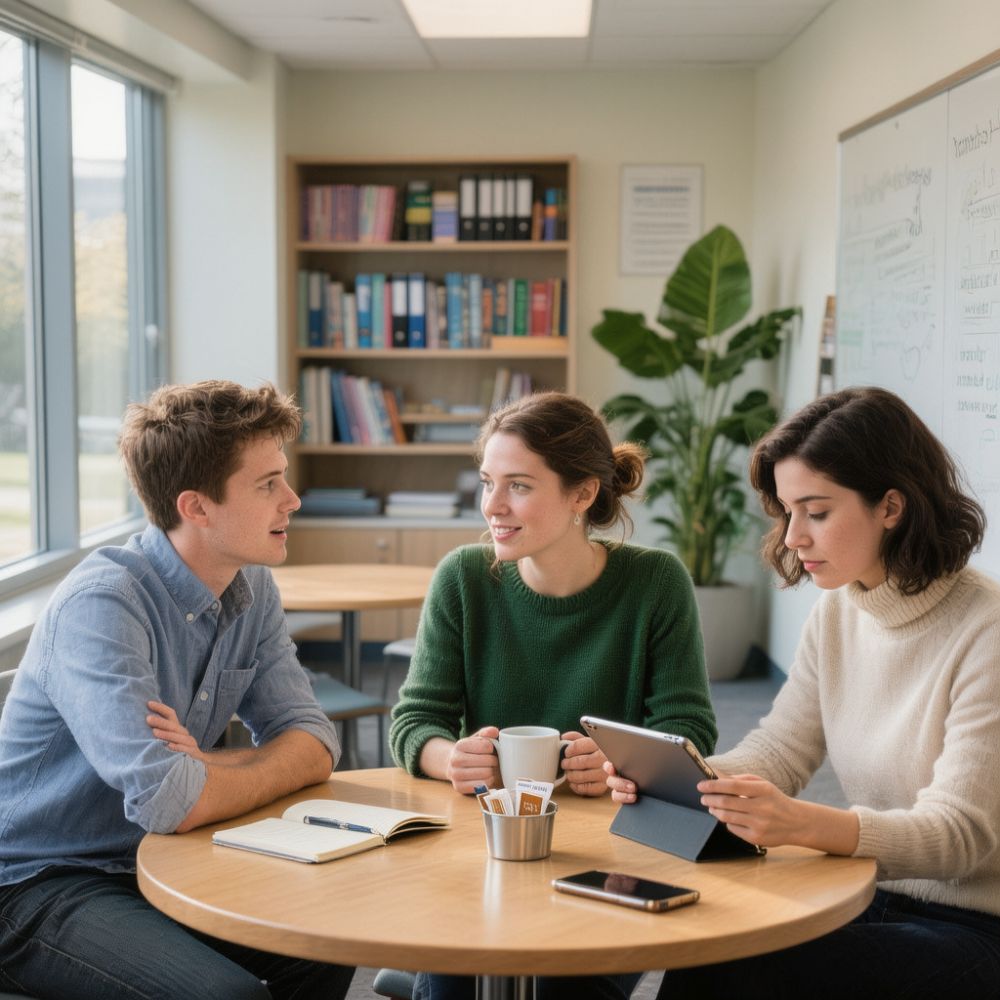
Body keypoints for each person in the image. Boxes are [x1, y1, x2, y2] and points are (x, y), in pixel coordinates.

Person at [606, 386, 1000, 999]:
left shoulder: (987, 631)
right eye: (787, 512)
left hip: (976, 925)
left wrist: (803, 824)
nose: (793, 537)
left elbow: (960, 837)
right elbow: (784, 750)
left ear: (891, 506)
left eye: (816, 512)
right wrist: (684, 777)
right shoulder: (840, 612)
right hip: (867, 892)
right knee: (716, 935)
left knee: (744, 966)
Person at [0, 380, 355, 1000]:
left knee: (326, 939)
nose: (292, 500)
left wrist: (206, 767)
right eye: (267, 484)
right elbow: (173, 801)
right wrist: (212, 777)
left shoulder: (252, 588)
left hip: (163, 857)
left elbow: (317, 742)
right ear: (196, 507)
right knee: (226, 996)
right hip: (39, 879)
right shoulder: (102, 605)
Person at [389, 391, 717, 1000]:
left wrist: (619, 765)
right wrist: (448, 757)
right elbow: (416, 719)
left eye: (518, 485)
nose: (492, 506)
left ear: (582, 494)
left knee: (574, 990)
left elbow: (687, 725)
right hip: (487, 847)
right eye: (488, 482)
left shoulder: (655, 583)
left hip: (612, 851)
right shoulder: (463, 577)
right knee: (451, 982)